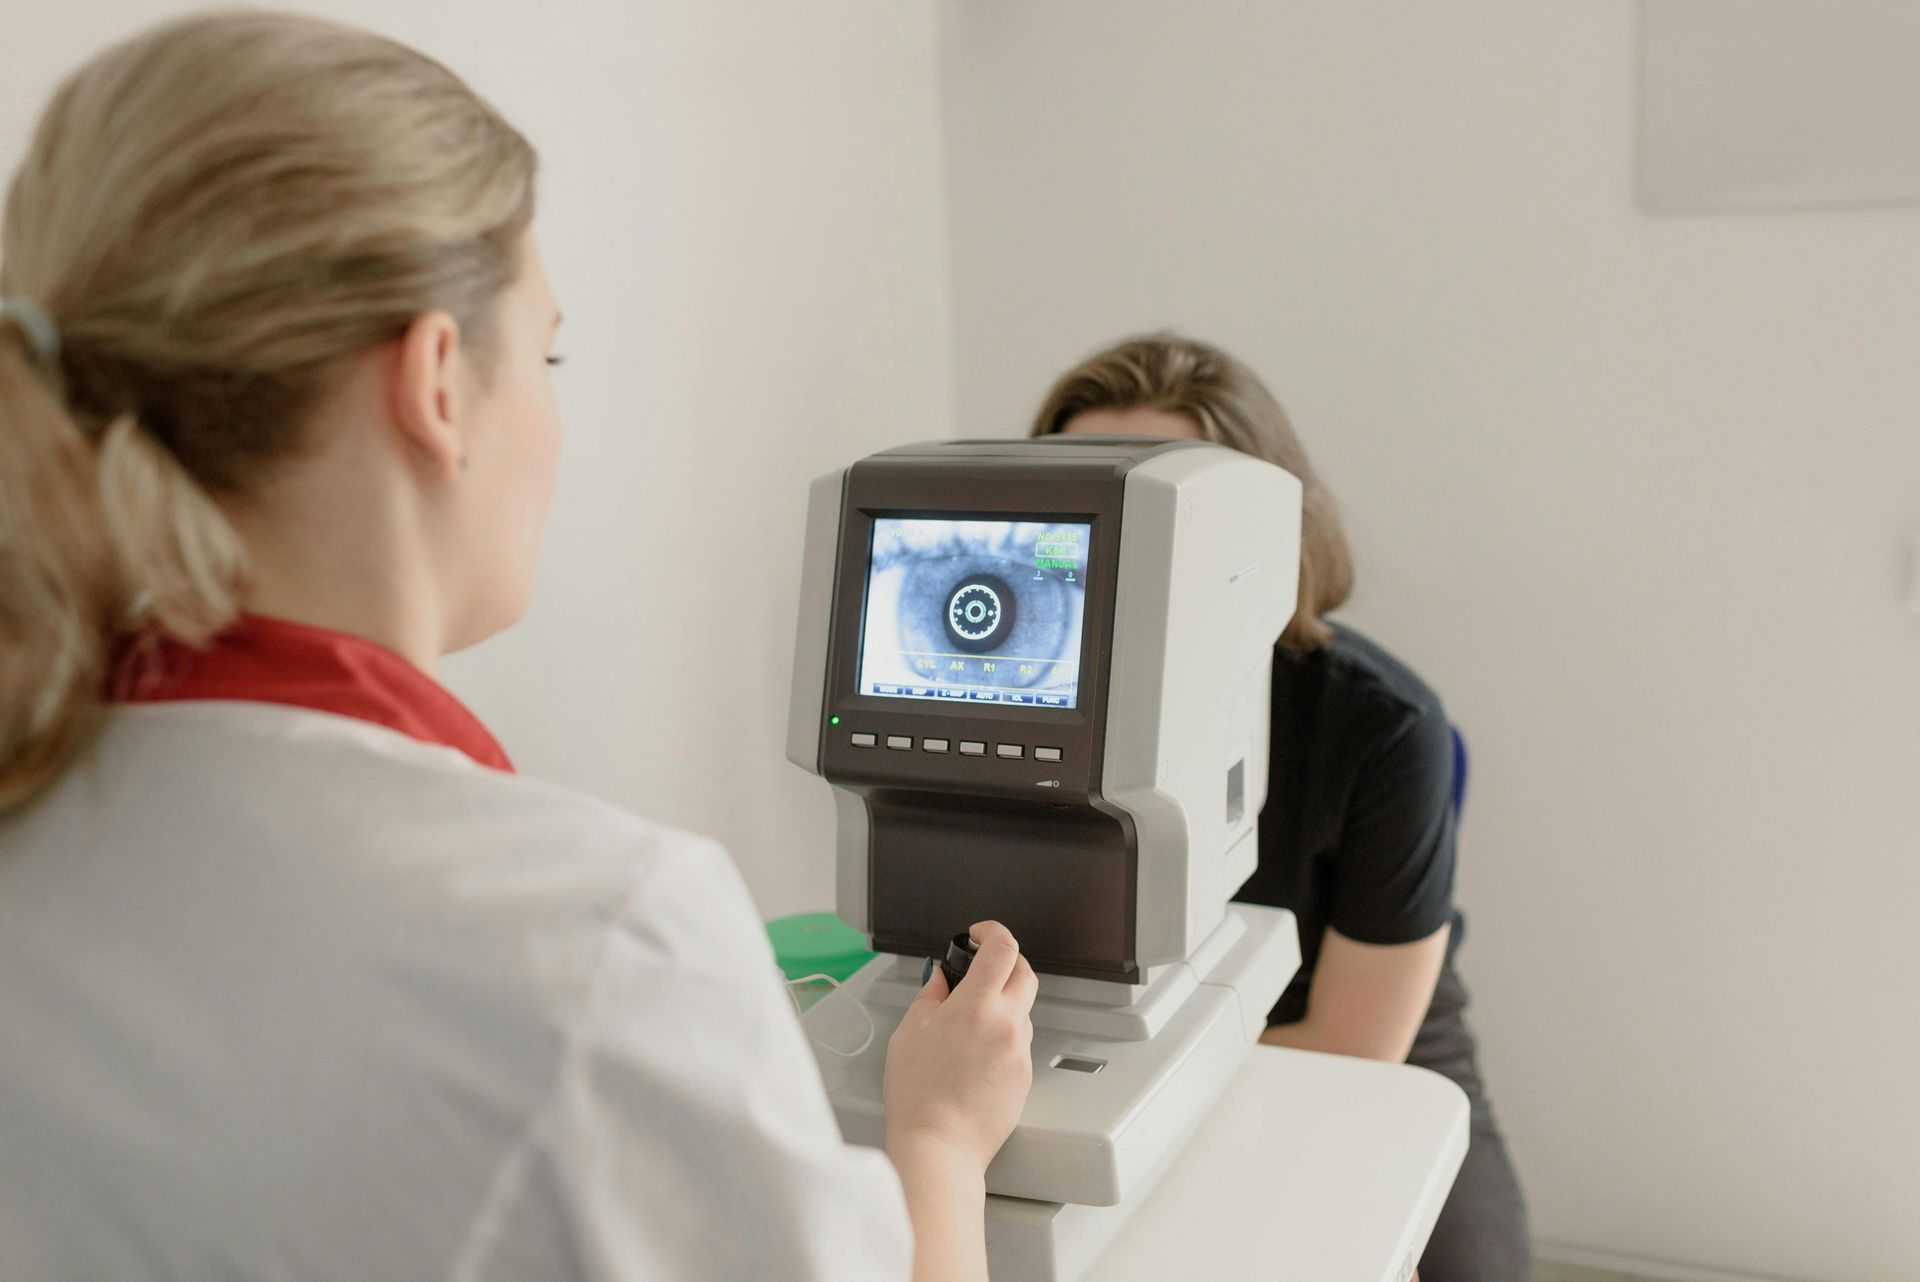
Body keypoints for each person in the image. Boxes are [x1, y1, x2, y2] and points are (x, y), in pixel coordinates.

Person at [0, 13, 1035, 1281]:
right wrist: (940, 1140)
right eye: (548, 350)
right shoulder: (596, 938)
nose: (552, 407)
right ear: (437, 382)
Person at [1032, 333, 1531, 1282]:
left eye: (1162, 506)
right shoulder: (1023, 709)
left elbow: (1355, 1047)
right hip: (1115, 1049)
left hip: (1342, 1037)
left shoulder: (1383, 724)